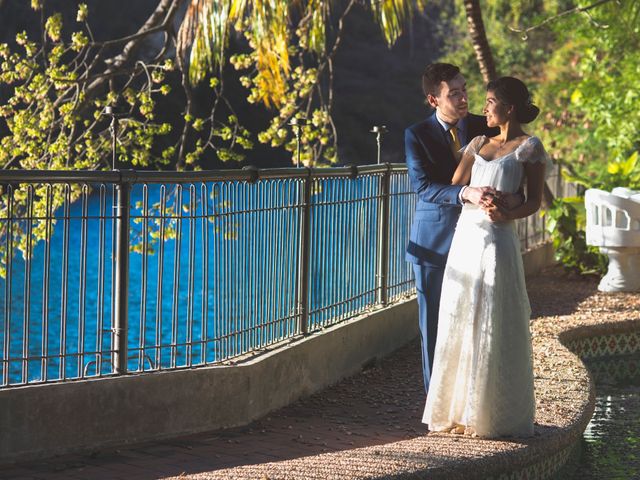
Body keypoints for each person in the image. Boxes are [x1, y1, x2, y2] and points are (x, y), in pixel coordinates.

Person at [422, 76, 551, 438]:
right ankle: (457, 411)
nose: (484, 107)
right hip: (467, 237)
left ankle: (492, 414)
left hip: (498, 240)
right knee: (460, 316)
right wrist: (476, 194)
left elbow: (534, 202)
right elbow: (457, 184)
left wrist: (508, 209)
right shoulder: (477, 143)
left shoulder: (530, 148)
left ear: (509, 108)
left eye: (490, 101)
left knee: (494, 318)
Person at [405, 63, 507, 393]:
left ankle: (471, 397)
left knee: (475, 321)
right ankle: (436, 402)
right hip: (432, 242)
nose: (464, 98)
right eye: (455, 93)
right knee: (433, 324)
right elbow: (423, 187)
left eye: (465, 90)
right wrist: (467, 193)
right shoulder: (416, 135)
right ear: (434, 100)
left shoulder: (484, 126)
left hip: (477, 237)